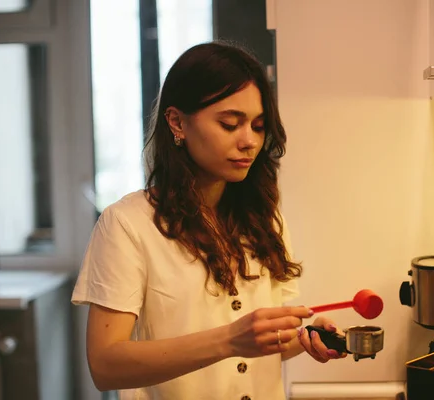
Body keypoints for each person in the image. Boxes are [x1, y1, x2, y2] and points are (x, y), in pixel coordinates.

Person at [71, 41, 345, 400]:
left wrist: (303, 337)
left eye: (259, 126)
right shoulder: (127, 224)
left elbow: (267, 343)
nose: (249, 141)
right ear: (176, 122)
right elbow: (106, 366)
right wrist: (230, 339)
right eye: (230, 124)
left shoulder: (264, 218)